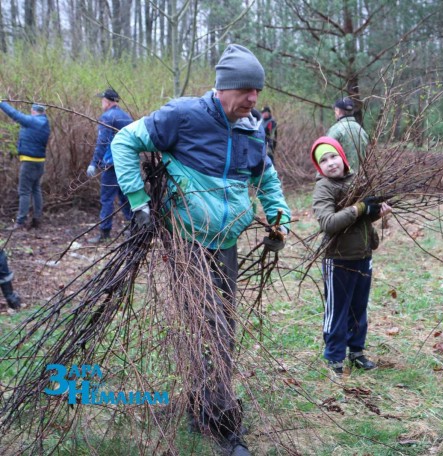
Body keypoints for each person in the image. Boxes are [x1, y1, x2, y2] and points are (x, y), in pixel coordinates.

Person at [111, 44, 290, 456]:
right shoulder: (183, 116)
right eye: (247, 90)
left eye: (257, 92)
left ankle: (202, 402)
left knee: (217, 327)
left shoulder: (249, 128)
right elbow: (124, 142)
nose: (253, 99)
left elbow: (266, 175)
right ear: (225, 87)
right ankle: (224, 426)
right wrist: (138, 203)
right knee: (211, 326)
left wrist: (278, 212)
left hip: (226, 244)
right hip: (189, 244)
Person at [310, 136, 391, 376]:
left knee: (358, 307)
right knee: (338, 310)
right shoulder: (324, 187)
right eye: (323, 160)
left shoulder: (358, 181)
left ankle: (356, 352)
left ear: (343, 157)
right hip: (339, 259)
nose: (331, 163)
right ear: (319, 167)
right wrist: (360, 208)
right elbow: (328, 222)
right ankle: (334, 357)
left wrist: (376, 212)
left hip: (362, 255)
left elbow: (360, 220)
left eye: (333, 156)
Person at [86, 88, 134, 243]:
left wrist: (94, 163)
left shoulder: (107, 117)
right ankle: (133, 229)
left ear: (107, 101)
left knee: (106, 199)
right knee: (125, 197)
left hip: (112, 165)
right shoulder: (126, 117)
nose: (101, 103)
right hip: (126, 164)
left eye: (102, 100)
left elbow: (103, 142)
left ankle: (104, 233)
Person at [0, 100, 50, 230]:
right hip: (39, 162)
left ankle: (20, 222)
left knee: (24, 191)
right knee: (35, 189)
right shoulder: (45, 123)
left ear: (34, 111)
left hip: (29, 162)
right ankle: (37, 219)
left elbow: (14, 114)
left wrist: (1, 103)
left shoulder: (33, 121)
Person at [325, 97, 369, 172]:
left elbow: (325, 155)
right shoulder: (361, 130)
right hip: (362, 178)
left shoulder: (335, 130)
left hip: (342, 180)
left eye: (335, 110)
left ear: (338, 111)